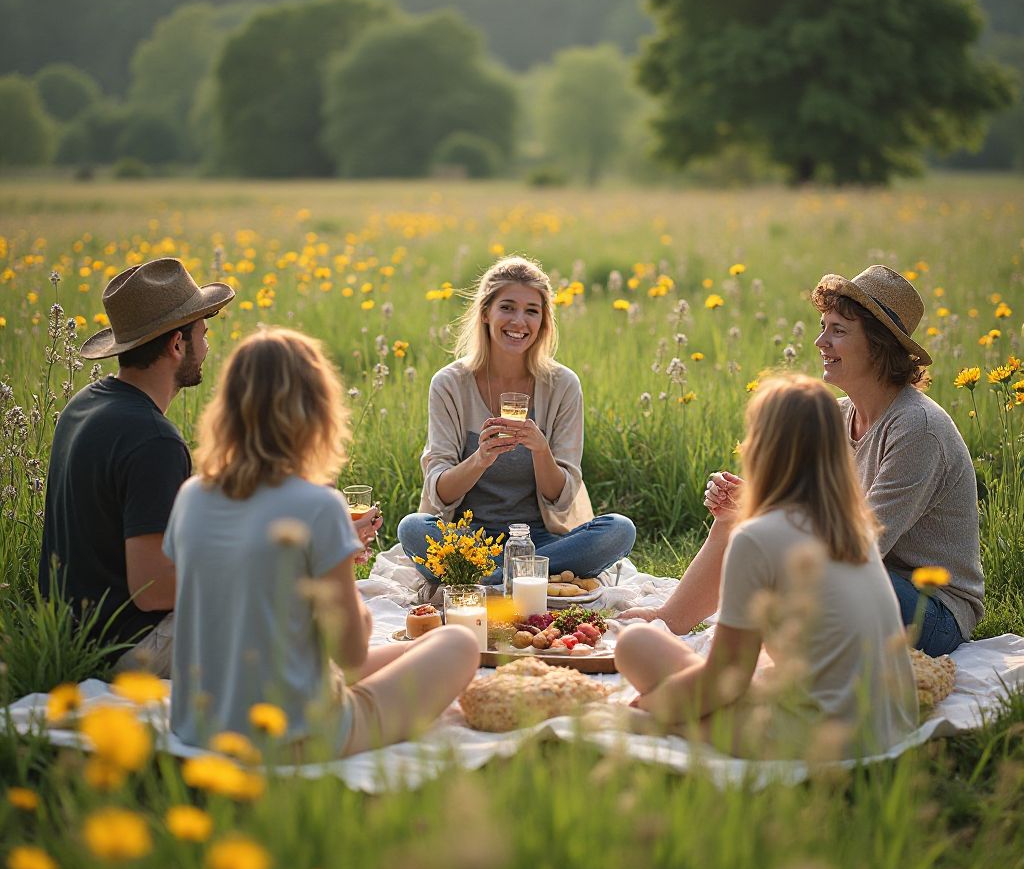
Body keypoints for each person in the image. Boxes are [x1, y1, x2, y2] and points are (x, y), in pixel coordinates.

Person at [621, 265, 983, 658]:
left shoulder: (917, 429)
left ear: (879, 346)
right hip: (861, 579)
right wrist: (749, 508)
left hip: (930, 607)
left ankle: (735, 678)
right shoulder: (836, 414)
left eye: (838, 331)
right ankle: (671, 618)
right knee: (744, 524)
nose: (820, 341)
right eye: (823, 326)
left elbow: (858, 547)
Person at [165, 327, 479, 756]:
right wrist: (342, 568)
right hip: (296, 736)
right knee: (458, 642)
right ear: (317, 410)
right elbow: (350, 652)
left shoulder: (191, 496)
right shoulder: (318, 505)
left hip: (196, 726)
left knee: (422, 643)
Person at [615, 374, 919, 760]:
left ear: (760, 447)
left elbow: (725, 680)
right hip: (890, 726)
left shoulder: (757, 538)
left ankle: (662, 727)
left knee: (635, 645)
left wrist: (651, 707)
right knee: (667, 653)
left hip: (817, 741)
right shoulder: (852, 526)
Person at [39, 258, 234, 677]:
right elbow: (153, 590)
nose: (208, 344)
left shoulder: (86, 405)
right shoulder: (154, 439)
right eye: (203, 332)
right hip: (127, 648)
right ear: (176, 345)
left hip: (73, 635)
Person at [397, 256, 635, 591]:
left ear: (543, 321)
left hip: (540, 541)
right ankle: (522, 579)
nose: (519, 321)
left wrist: (541, 450)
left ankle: (488, 582)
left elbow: (562, 498)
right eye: (507, 307)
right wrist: (481, 458)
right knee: (412, 527)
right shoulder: (450, 384)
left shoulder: (563, 385)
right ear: (485, 313)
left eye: (532, 311)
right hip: (469, 541)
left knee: (620, 530)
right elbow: (439, 493)